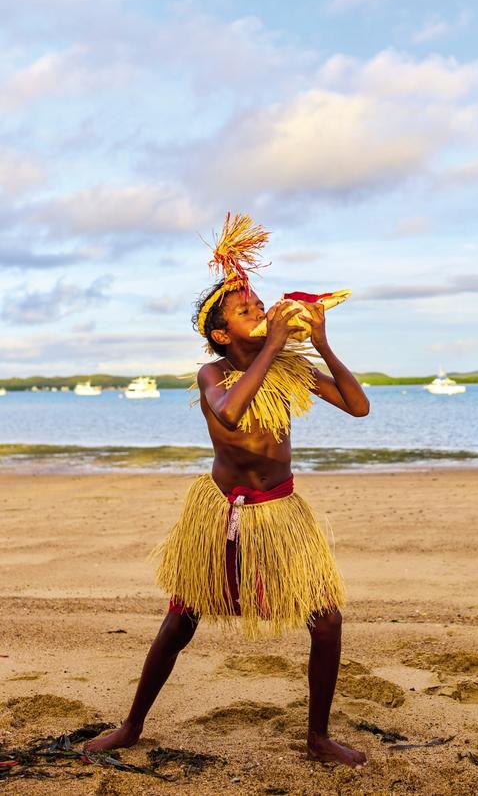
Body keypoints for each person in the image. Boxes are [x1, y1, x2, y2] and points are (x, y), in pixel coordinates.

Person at [84, 215, 369, 768]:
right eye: (246, 310)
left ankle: (317, 737)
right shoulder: (211, 375)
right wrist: (278, 343)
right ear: (221, 334)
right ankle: (131, 724)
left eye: (260, 304)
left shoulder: (288, 367)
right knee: (182, 617)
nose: (260, 312)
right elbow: (232, 414)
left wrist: (323, 344)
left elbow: (358, 407)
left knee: (327, 618)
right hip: (222, 512)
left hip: (280, 512)